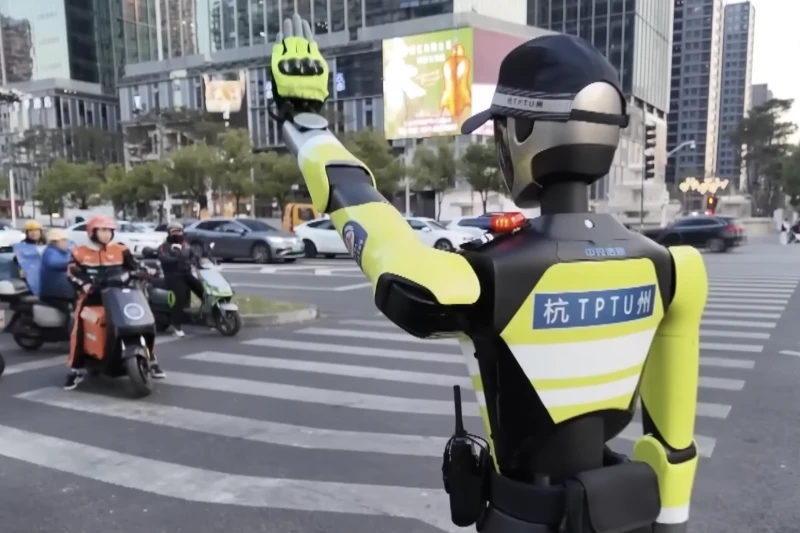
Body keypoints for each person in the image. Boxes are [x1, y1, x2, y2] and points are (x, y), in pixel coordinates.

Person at [270, 15, 706, 533]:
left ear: (522, 132)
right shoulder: (674, 266)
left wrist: (308, 129)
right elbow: (673, 439)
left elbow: (393, 261)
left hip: (524, 518)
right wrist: (673, 521)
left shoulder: (497, 274)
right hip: (623, 513)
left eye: (501, 129)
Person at [64, 215, 165, 390]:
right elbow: (72, 273)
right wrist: (86, 284)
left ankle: (152, 360)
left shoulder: (120, 249)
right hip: (93, 298)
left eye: (109, 231)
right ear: (92, 232)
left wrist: (149, 271)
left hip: (121, 295)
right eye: (102, 230)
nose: (106, 234)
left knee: (144, 323)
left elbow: (135, 266)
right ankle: (75, 370)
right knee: (78, 329)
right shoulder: (80, 251)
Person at [157, 222, 205, 337]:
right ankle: (176, 326)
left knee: (203, 290)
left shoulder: (185, 245)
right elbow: (164, 258)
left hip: (187, 273)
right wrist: (177, 258)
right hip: (172, 275)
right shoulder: (164, 247)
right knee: (179, 298)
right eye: (174, 231)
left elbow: (194, 255)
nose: (177, 233)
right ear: (169, 233)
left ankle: (210, 317)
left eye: (179, 231)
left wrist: (199, 258)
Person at [39, 229, 76, 320]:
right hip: (54, 294)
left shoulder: (67, 252)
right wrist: (72, 263)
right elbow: (54, 263)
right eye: (63, 241)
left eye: (66, 240)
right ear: (54, 242)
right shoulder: (50, 252)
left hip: (66, 293)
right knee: (72, 313)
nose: (66, 243)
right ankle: (69, 333)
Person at [12, 220, 46, 291]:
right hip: (30, 276)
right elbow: (17, 259)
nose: (34, 233)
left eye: (36, 230)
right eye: (30, 231)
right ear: (27, 233)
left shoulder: (46, 243)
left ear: (40, 231)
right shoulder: (23, 245)